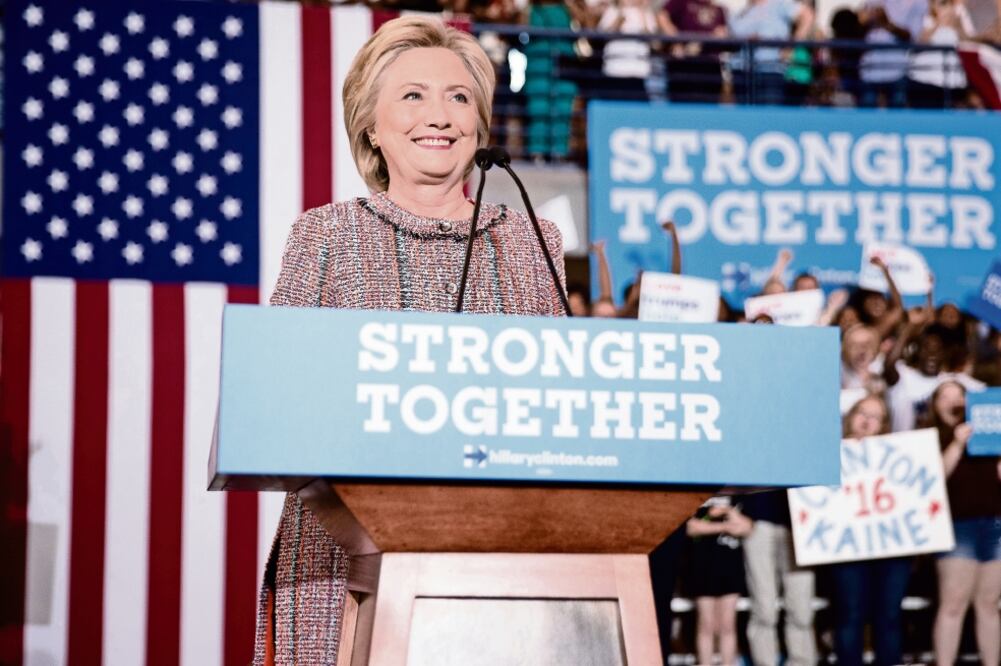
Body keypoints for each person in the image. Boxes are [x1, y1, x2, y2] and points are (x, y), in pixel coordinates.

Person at [256, 17, 567, 663]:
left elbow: (563, 411)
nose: (441, 115)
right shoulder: (325, 236)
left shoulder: (532, 242)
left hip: (499, 558)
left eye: (458, 97)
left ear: (479, 123)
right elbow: (273, 404)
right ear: (369, 124)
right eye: (412, 95)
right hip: (339, 559)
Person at [830, 393, 914, 666]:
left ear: (885, 424)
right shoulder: (830, 456)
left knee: (889, 616)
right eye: (862, 413)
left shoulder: (901, 457)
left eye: (875, 416)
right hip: (847, 547)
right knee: (849, 614)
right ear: (850, 417)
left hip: (892, 548)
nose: (867, 421)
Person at [924, 381, 1001, 666]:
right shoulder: (933, 437)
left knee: (989, 604)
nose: (953, 401)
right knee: (953, 603)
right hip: (957, 527)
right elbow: (933, 479)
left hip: (995, 525)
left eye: (959, 395)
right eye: (945, 396)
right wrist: (957, 443)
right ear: (935, 405)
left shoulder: (993, 437)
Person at [686, 496, 753, 666]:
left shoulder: (738, 494)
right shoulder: (697, 495)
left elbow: (747, 527)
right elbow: (691, 527)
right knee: (706, 624)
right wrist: (721, 523)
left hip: (730, 565)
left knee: (728, 624)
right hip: (701, 565)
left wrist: (727, 511)